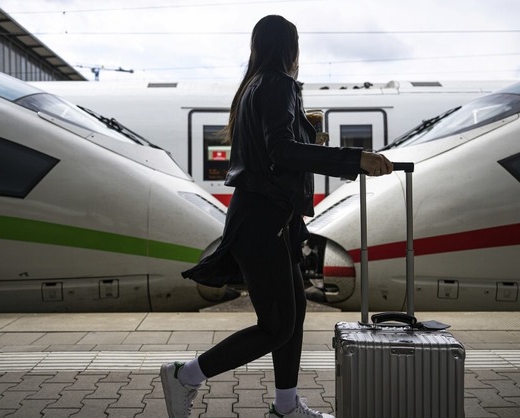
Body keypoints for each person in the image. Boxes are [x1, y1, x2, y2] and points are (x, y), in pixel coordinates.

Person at [160, 15, 393, 418]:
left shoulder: (252, 87)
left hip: (271, 219)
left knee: (294, 313)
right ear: (290, 47)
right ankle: (186, 375)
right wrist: (357, 158)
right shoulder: (278, 84)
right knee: (276, 326)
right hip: (262, 220)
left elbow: (274, 151)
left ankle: (286, 406)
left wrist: (309, 140)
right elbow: (281, 151)